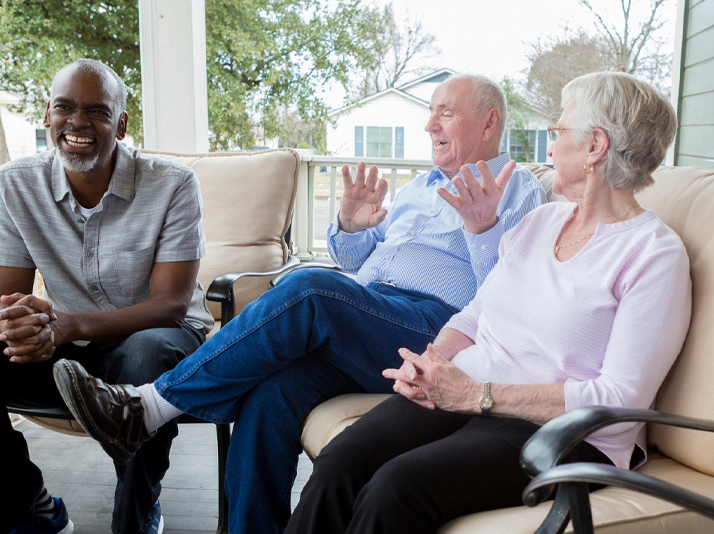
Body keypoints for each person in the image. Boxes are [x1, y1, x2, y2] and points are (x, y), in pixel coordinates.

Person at [52, 74, 546, 534]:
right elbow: (355, 264)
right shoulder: (420, 188)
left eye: (445, 113)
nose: (429, 123)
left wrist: (481, 230)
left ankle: (148, 406)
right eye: (431, 111)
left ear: (489, 121)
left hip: (434, 332)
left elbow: (511, 297)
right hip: (371, 317)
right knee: (269, 396)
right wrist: (352, 228)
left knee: (311, 288)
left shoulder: (518, 190)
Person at [283, 71, 693, 534]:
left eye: (558, 133)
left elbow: (619, 399)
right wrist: (431, 364)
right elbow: (477, 313)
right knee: (342, 461)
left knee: (396, 487)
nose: (550, 147)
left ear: (595, 147)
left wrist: (476, 395)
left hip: (557, 430)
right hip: (470, 392)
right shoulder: (542, 222)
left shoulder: (653, 254)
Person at [0, 59, 213, 534]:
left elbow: (171, 306)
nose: (78, 122)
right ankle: (23, 507)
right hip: (64, 355)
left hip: (157, 343)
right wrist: (13, 325)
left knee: (147, 351)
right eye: (65, 108)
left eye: (97, 111)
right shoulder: (14, 186)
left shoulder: (172, 184)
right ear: (47, 115)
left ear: (121, 122)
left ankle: (136, 516)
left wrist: (68, 325)